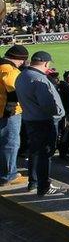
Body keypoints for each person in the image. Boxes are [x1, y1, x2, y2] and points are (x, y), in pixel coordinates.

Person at [15, 51, 65, 196]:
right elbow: (48, 105)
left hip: (30, 119)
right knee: (44, 154)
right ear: (46, 63)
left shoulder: (22, 75)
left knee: (35, 152)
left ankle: (34, 182)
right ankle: (43, 186)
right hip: (43, 121)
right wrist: (58, 113)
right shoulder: (39, 79)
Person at [0, 45, 29, 187]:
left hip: (3, 110)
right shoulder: (9, 69)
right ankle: (8, 175)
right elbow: (13, 89)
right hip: (8, 113)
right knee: (10, 143)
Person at [56, 70, 69, 161]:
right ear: (66, 78)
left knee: (65, 133)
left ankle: (62, 150)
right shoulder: (67, 88)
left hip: (66, 114)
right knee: (66, 134)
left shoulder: (64, 86)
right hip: (67, 114)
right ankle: (63, 152)